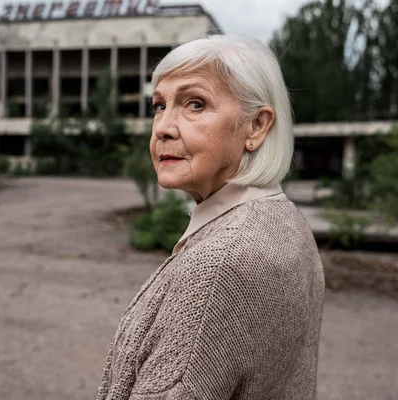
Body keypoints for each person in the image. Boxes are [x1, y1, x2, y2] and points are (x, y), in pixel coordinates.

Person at [95, 34, 325, 400]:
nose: (162, 127)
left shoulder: (221, 265)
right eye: (159, 106)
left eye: (195, 104)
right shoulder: (283, 220)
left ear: (256, 126)